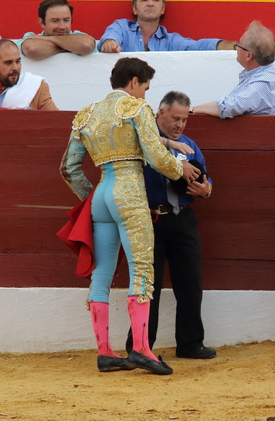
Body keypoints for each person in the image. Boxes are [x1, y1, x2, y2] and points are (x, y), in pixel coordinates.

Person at [59, 58, 201, 375]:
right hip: (129, 191)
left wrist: (91, 199)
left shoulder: (86, 114)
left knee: (103, 272)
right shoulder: (136, 109)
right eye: (145, 89)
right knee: (141, 270)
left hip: (102, 195)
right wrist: (181, 170)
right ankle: (141, 348)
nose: (145, 97)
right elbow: (154, 155)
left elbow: (69, 169)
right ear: (134, 82)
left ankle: (105, 352)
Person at [125, 91, 215, 359]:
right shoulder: (141, 138)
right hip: (149, 219)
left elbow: (207, 180)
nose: (180, 125)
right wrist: (165, 144)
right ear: (160, 113)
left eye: (184, 120)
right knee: (147, 286)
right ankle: (140, 347)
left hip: (183, 218)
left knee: (190, 284)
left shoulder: (189, 144)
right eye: (175, 118)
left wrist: (205, 190)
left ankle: (190, 344)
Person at [98, 0, 235, 52]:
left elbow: (198, 46)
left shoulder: (171, 41)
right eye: (144, 0)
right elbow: (111, 35)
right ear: (134, 8)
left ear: (163, 9)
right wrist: (109, 42)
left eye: (156, 0)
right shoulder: (121, 27)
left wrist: (232, 46)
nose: (150, 4)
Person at [191, 21, 275, 118]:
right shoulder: (260, 76)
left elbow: (229, 107)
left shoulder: (264, 83)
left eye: (238, 45)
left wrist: (192, 110)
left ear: (248, 56)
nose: (235, 48)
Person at [0, 39, 58, 110]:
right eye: (8, 63)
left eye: (18, 62)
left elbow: (57, 121)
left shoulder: (36, 87)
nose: (15, 68)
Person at [17, 0, 96, 60]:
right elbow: (32, 49)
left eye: (66, 20)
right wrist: (71, 47)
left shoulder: (79, 35)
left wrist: (48, 39)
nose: (62, 26)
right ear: (41, 22)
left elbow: (86, 46)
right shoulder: (30, 36)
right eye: (55, 21)